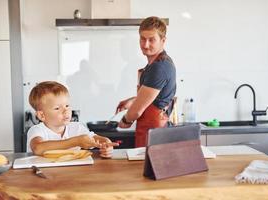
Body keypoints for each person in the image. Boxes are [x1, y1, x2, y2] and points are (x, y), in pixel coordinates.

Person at [116, 16, 176, 147]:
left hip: (154, 135)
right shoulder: (154, 65)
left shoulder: (159, 68)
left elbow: (137, 111)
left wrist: (125, 121)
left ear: (163, 40)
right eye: (142, 39)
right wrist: (133, 100)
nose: (145, 44)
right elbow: (154, 97)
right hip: (152, 132)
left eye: (151, 40)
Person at [27, 81, 118, 158]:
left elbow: (98, 139)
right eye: (57, 108)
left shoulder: (77, 127)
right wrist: (76, 141)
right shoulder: (37, 130)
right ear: (42, 115)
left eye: (67, 106)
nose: (65, 111)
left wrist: (106, 144)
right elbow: (37, 148)